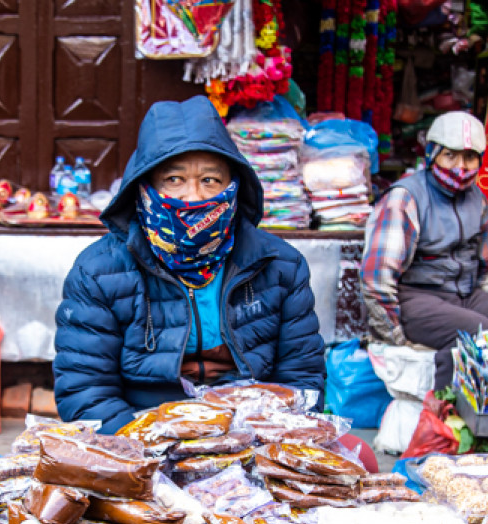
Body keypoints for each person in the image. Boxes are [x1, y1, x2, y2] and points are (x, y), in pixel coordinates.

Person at [53, 96, 327, 435]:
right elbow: (85, 391)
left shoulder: (279, 264)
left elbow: (301, 378)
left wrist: (263, 439)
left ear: (233, 186)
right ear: (145, 186)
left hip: (250, 429)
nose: (194, 196)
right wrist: (147, 445)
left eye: (210, 180)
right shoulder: (99, 270)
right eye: (174, 179)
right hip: (140, 429)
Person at [360, 111, 488, 390]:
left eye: (470, 157)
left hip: (464, 295)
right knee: (475, 331)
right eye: (451, 155)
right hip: (416, 298)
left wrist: (484, 298)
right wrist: (393, 334)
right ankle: (446, 416)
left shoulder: (477, 199)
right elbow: (377, 279)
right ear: (432, 154)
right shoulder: (405, 197)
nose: (461, 166)